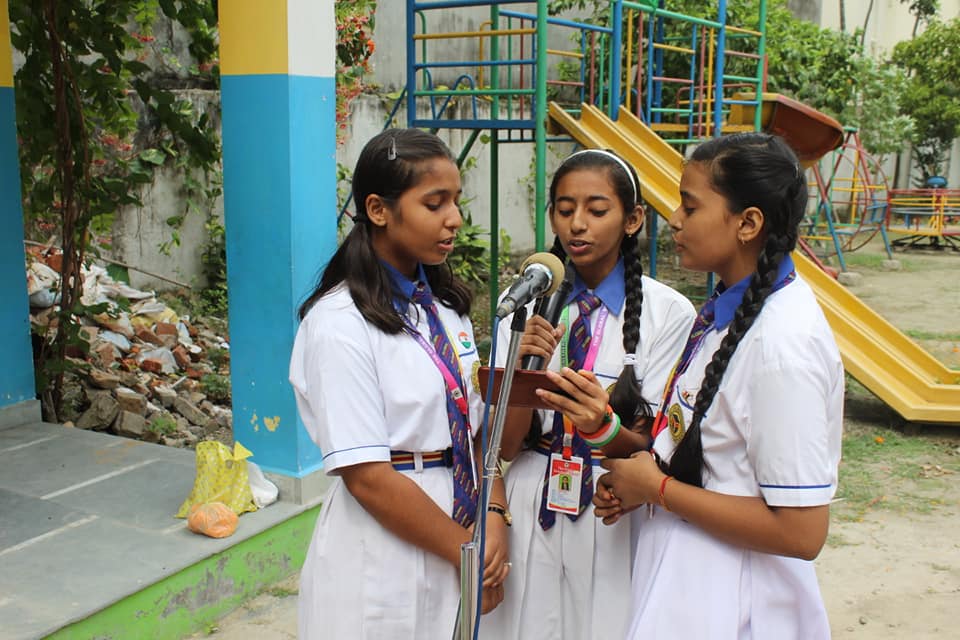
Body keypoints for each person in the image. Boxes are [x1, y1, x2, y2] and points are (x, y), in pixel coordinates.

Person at [592, 132, 844, 639]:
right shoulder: (725, 313)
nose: (676, 219)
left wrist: (658, 489)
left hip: (733, 599)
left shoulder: (781, 347)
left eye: (691, 205)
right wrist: (643, 481)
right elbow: (713, 456)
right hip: (689, 579)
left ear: (748, 223)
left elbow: (801, 531)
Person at [289, 128, 510, 639]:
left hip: (460, 525)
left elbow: (475, 429)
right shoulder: (339, 324)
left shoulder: (443, 307)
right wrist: (465, 550)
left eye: (456, 200)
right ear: (379, 209)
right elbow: (367, 476)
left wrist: (494, 514)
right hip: (385, 547)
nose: (454, 218)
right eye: (434, 203)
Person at [480, 149, 696, 640]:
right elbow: (504, 446)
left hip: (612, 498)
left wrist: (602, 424)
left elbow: (658, 446)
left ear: (632, 219)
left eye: (597, 210)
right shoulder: (524, 302)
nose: (577, 225)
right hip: (533, 490)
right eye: (563, 209)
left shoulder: (669, 313)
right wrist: (519, 369)